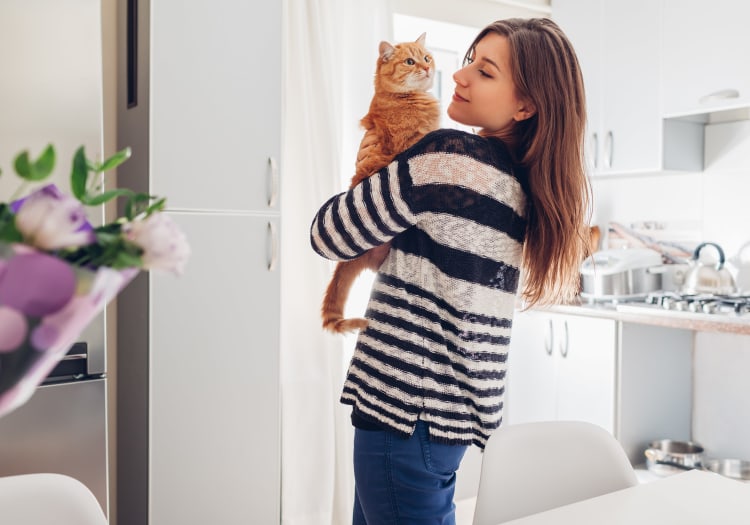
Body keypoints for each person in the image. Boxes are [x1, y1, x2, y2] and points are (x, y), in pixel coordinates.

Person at [310, 17, 590, 525]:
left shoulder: (449, 156)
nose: (459, 77)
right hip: (450, 419)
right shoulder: (519, 181)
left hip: (402, 409)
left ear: (525, 105)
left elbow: (328, 233)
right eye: (467, 62)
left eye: (485, 72)